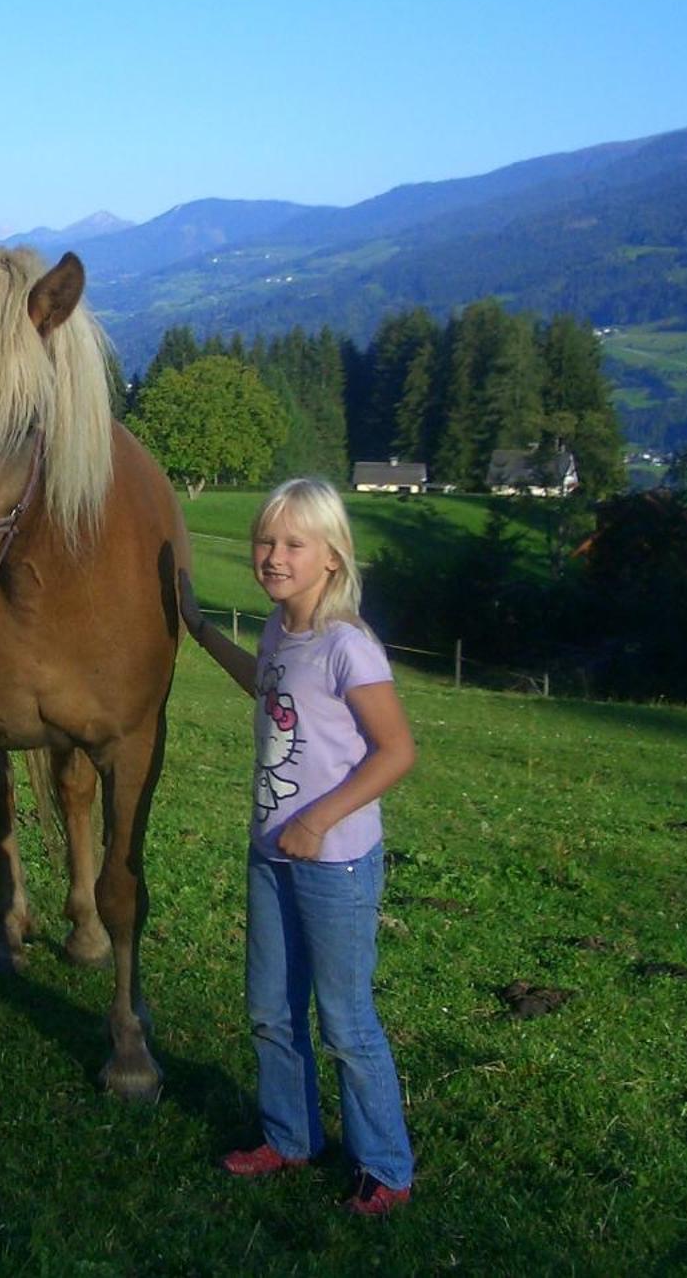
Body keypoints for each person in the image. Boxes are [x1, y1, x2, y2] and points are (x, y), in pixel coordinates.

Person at [188, 477, 417, 1216]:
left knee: (345, 1021)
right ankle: (290, 1140)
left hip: (335, 863)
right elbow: (267, 687)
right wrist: (200, 632)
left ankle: (384, 1167)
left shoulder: (349, 646)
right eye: (266, 541)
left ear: (331, 556)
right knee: (271, 1012)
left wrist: (319, 821)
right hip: (271, 854)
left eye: (293, 544)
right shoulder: (282, 633)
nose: (274, 556)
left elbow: (395, 751)